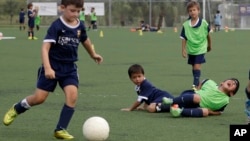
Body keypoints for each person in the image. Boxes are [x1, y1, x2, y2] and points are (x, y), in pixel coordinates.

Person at [3, 0, 103, 140]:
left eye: (79, 11)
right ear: (62, 8)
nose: (76, 14)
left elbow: (85, 39)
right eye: (73, 11)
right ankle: (17, 108)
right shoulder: (56, 26)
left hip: (69, 68)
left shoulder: (80, 25)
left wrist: (93, 54)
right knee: (39, 98)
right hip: (52, 66)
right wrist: (48, 68)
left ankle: (60, 129)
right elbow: (45, 48)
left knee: (72, 96)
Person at [162, 78, 240, 118]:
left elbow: (220, 112)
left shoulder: (225, 100)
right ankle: (172, 100)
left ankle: (179, 111)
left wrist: (210, 112)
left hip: (196, 107)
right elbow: (203, 82)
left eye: (234, 84)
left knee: (205, 112)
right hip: (190, 96)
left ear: (232, 93)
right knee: (197, 98)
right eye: (231, 80)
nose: (232, 82)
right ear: (222, 82)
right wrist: (198, 90)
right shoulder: (210, 83)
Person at [180, 1, 211, 89]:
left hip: (201, 48)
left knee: (197, 66)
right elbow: (184, 37)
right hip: (191, 49)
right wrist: (183, 49)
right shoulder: (186, 25)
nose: (192, 12)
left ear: (198, 11)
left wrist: (209, 45)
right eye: (190, 10)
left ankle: (195, 84)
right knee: (194, 67)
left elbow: (208, 35)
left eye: (194, 10)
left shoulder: (204, 23)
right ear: (188, 12)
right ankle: (197, 83)